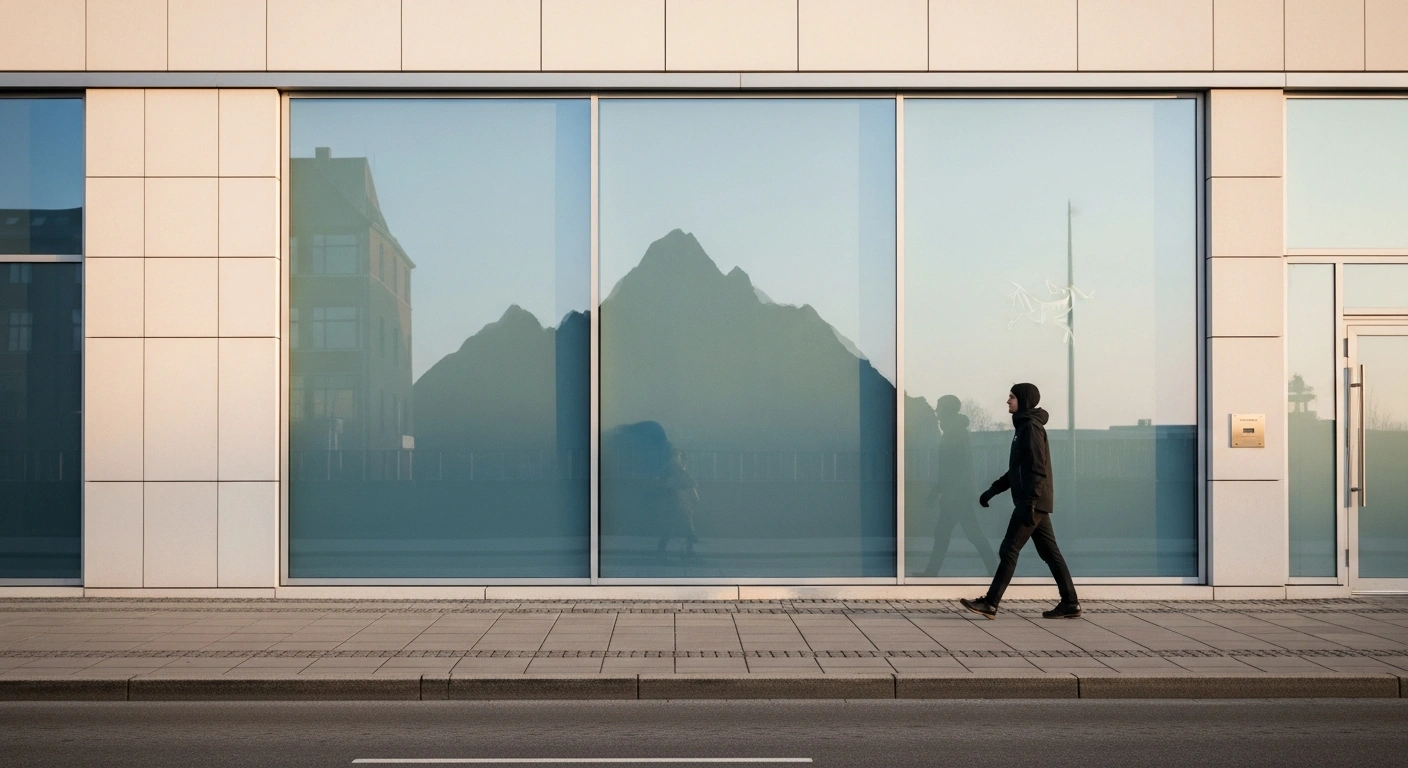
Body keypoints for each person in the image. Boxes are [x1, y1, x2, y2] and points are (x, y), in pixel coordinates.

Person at [960, 383, 1080, 620]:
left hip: (1031, 501)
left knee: (1009, 548)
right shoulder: (1022, 427)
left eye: (1012, 397)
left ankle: (991, 603)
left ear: (1023, 400)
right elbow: (1017, 470)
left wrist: (1031, 502)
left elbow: (1037, 468)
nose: (1007, 400)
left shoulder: (1031, 427)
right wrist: (993, 490)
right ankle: (1070, 603)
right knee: (1050, 553)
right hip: (1034, 501)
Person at [920, 395, 998, 577]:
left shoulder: (954, 433)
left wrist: (944, 493)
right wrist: (937, 491)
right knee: (962, 534)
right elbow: (951, 469)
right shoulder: (954, 431)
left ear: (947, 410)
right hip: (958, 494)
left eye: (939, 407)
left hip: (956, 496)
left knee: (955, 534)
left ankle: (996, 572)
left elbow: (957, 469)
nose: (936, 410)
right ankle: (995, 571)